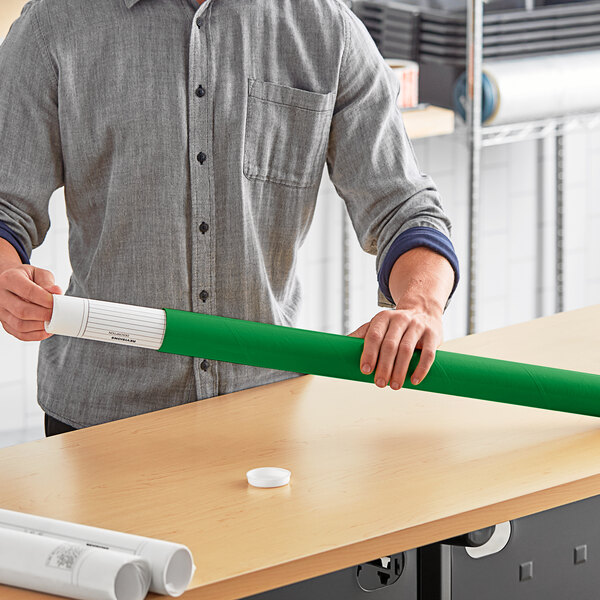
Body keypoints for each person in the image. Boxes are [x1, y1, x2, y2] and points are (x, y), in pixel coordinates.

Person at [0, 0, 458, 437]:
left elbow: (405, 209)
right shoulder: (53, 26)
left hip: (265, 411)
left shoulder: (326, 28)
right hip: (98, 418)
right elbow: (6, 207)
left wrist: (421, 304)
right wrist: (7, 275)